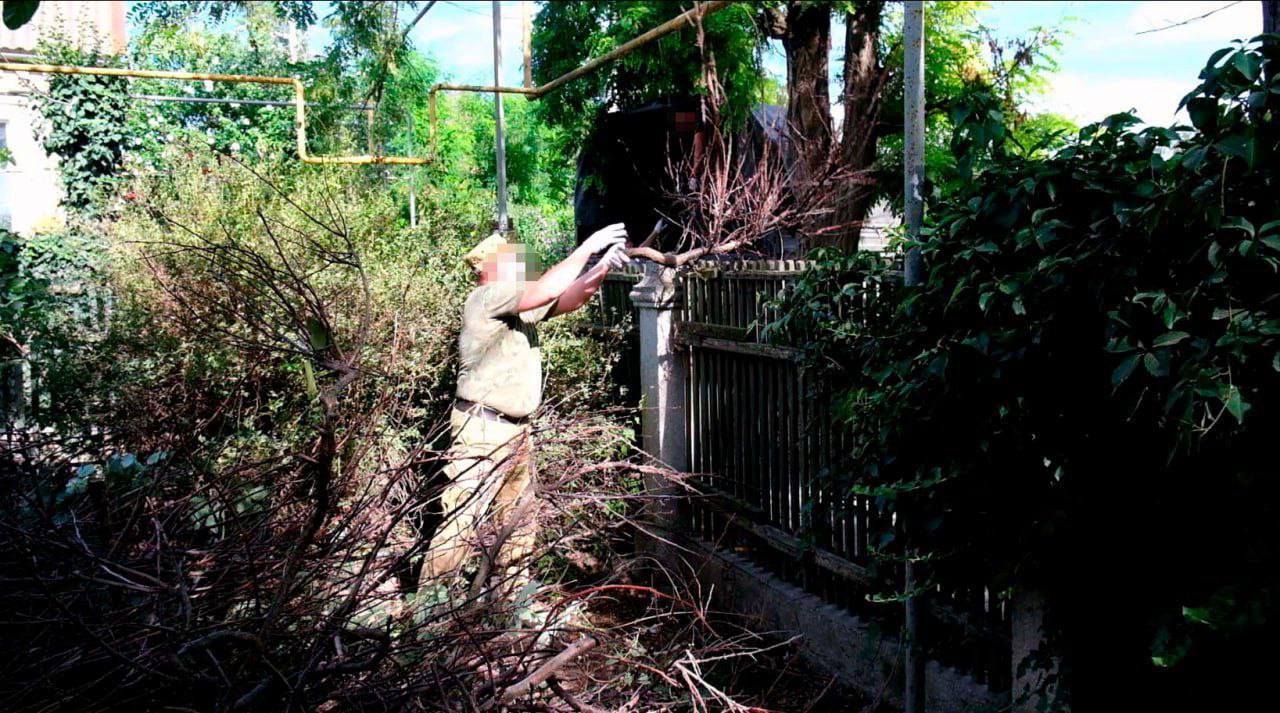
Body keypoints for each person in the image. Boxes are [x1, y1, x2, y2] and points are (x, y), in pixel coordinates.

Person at [419, 224, 632, 600]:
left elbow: (567, 299)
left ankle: (508, 604)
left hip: (517, 431)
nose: (522, 264)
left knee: (517, 521)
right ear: (491, 267)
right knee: (461, 519)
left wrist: (603, 268)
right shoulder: (485, 298)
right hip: (481, 428)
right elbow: (548, 288)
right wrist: (588, 247)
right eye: (513, 260)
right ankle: (430, 609)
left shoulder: (518, 309)